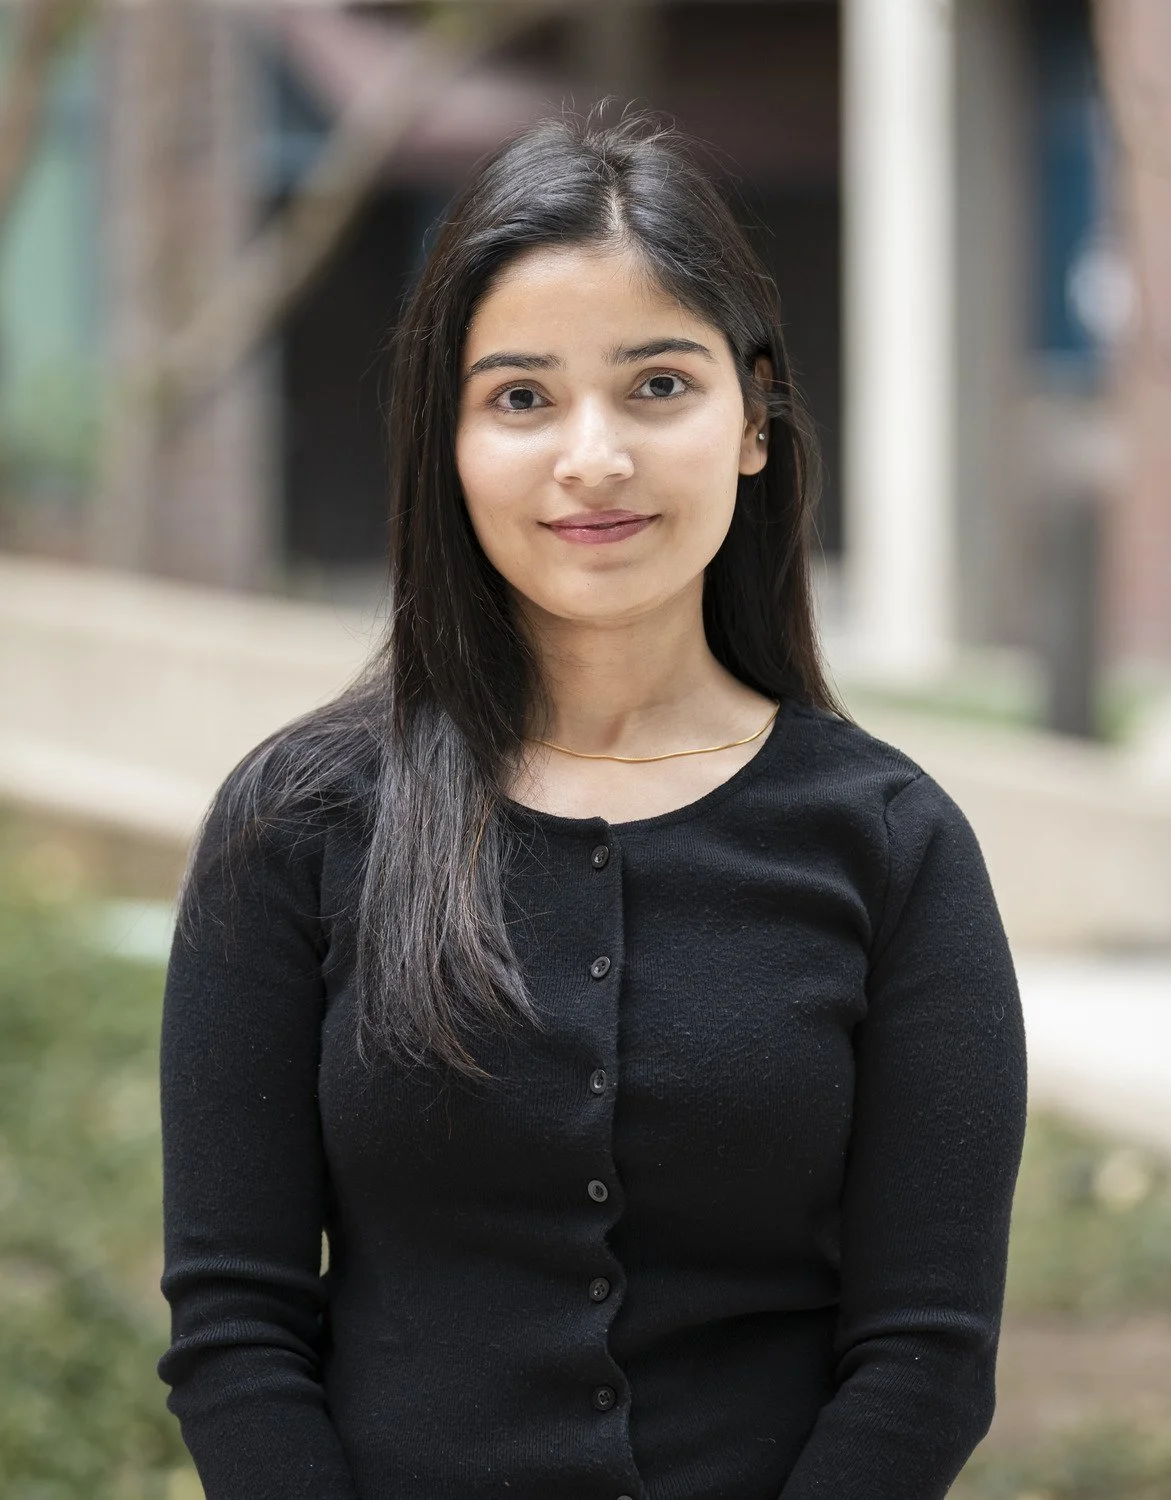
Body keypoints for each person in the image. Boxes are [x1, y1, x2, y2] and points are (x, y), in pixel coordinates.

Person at [157, 108, 1027, 1500]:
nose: (593, 456)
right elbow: (236, 1329)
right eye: (521, 397)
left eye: (657, 386)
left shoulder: (890, 843)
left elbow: (925, 1356)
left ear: (754, 416)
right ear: (446, 438)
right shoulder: (297, 825)